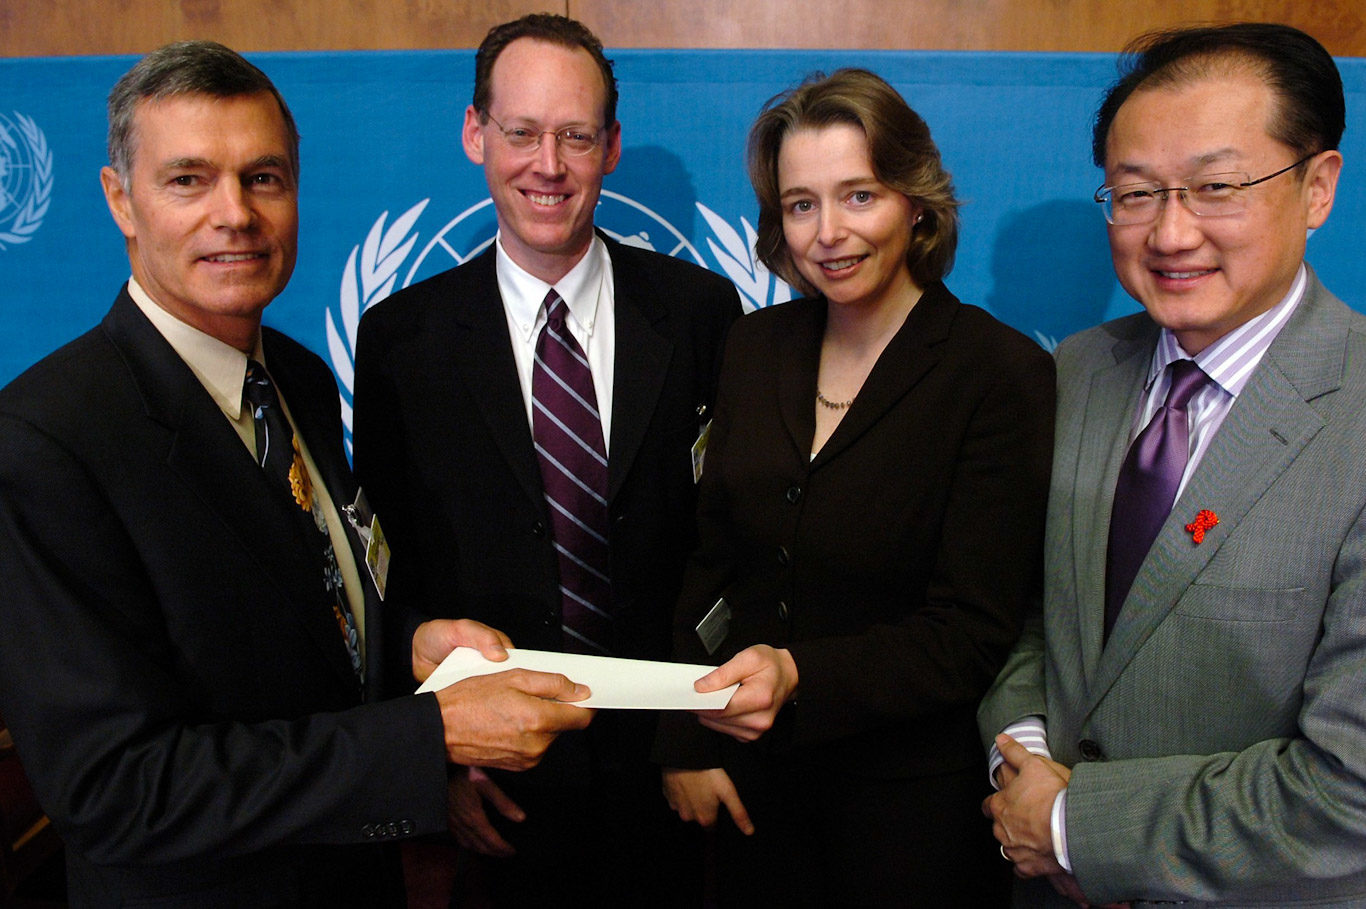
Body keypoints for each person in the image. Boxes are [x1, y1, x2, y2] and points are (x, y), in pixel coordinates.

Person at [0, 41, 593, 908]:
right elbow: (115, 792)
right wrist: (428, 737)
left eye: (264, 178)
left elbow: (309, 617)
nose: (235, 214)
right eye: (188, 180)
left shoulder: (298, 378)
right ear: (119, 199)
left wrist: (408, 642)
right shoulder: (48, 441)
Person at [351, 13, 742, 905]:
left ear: (611, 146)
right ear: (475, 134)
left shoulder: (700, 312)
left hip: (671, 777)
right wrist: (433, 760)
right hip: (494, 787)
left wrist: (692, 736)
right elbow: (385, 576)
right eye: (522, 133)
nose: (548, 165)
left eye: (574, 135)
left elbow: (731, 540)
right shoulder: (400, 340)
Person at [979, 22, 1366, 908]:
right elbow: (1027, 614)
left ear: (1317, 187)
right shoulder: (1078, 369)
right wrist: (1027, 762)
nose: (1171, 231)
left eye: (1217, 186)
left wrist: (1079, 827)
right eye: (1137, 193)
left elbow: (1350, 787)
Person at [654, 68, 1055, 906]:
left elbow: (972, 629)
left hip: (914, 812)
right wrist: (681, 739)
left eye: (859, 195)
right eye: (801, 204)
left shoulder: (1000, 372)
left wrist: (799, 673)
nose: (829, 233)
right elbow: (713, 560)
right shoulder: (755, 346)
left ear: (916, 201)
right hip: (751, 792)